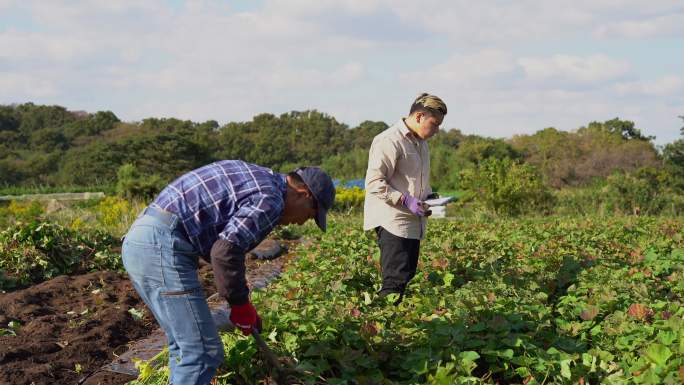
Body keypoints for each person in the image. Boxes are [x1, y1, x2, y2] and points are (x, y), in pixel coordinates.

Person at [121, 160, 335, 385]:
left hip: (144, 239)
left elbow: (225, 249)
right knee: (202, 351)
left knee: (186, 347)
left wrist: (241, 301)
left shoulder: (262, 179)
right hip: (161, 245)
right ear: (304, 194)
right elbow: (225, 252)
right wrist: (240, 305)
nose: (302, 222)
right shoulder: (271, 200)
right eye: (311, 215)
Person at [363, 93, 447, 304]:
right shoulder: (389, 140)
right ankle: (378, 326)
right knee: (394, 282)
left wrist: (429, 197)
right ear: (419, 116)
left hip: (413, 222)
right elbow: (374, 182)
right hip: (393, 219)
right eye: (434, 124)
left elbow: (414, 180)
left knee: (406, 276)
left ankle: (391, 323)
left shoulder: (421, 144)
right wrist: (405, 200)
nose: (436, 131)